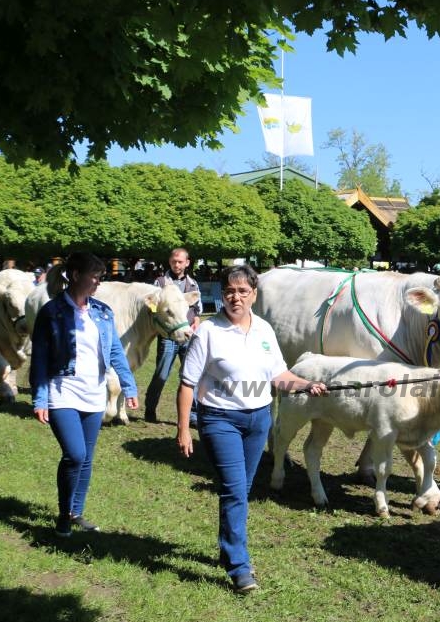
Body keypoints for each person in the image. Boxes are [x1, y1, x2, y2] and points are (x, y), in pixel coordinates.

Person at [176, 264, 326, 593]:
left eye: (243, 291)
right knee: (234, 490)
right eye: (230, 291)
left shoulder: (264, 330)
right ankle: (239, 566)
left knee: (240, 490)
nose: (236, 297)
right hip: (219, 420)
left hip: (258, 420)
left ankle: (228, 547)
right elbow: (188, 384)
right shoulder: (209, 332)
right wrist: (183, 429)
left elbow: (278, 376)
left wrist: (305, 385)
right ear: (221, 294)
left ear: (254, 295)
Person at [29, 251, 140, 536]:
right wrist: (40, 397)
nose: (98, 283)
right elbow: (39, 358)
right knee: (75, 455)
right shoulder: (51, 313)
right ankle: (64, 514)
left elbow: (115, 350)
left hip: (94, 394)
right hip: (61, 392)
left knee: (87, 458)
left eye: (101, 277)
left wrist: (128, 385)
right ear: (76, 276)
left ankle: (76, 512)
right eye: (95, 276)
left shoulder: (102, 312)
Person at [144, 247, 204, 424]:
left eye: (180, 262)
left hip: (188, 336)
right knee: (161, 374)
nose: (177, 265)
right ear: (169, 262)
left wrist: (197, 319)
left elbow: (197, 308)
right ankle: (150, 409)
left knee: (190, 376)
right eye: (173, 261)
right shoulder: (160, 283)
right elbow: (152, 308)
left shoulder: (193, 284)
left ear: (187, 263)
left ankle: (192, 416)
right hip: (168, 337)